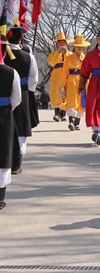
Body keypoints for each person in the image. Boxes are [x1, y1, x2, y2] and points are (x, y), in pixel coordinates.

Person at [4, 27, 38, 175]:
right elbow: (33, 79)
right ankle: (17, 161)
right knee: (21, 125)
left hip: (3, 95)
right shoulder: (28, 56)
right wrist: (28, 90)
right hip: (23, 92)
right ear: (20, 39)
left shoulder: (3, 56)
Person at [0, 35, 21, 209]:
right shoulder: (11, 72)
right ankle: (0, 196)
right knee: (4, 152)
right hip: (5, 115)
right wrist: (6, 108)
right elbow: (17, 98)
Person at [62, 34, 90, 131]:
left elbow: (89, 72)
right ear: (74, 47)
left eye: (81, 46)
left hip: (82, 81)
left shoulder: (86, 58)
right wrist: (63, 85)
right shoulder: (69, 58)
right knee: (72, 101)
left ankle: (77, 122)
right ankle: (71, 121)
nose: (79, 48)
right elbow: (65, 72)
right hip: (71, 81)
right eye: (77, 46)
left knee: (81, 101)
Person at [47, 32, 73, 122]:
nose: (62, 44)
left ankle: (63, 114)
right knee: (57, 94)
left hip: (66, 75)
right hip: (57, 75)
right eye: (60, 42)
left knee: (66, 93)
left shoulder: (70, 54)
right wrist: (59, 53)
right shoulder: (54, 54)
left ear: (66, 43)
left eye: (63, 42)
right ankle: (57, 114)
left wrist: (65, 53)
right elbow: (51, 62)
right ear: (57, 44)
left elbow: (72, 63)